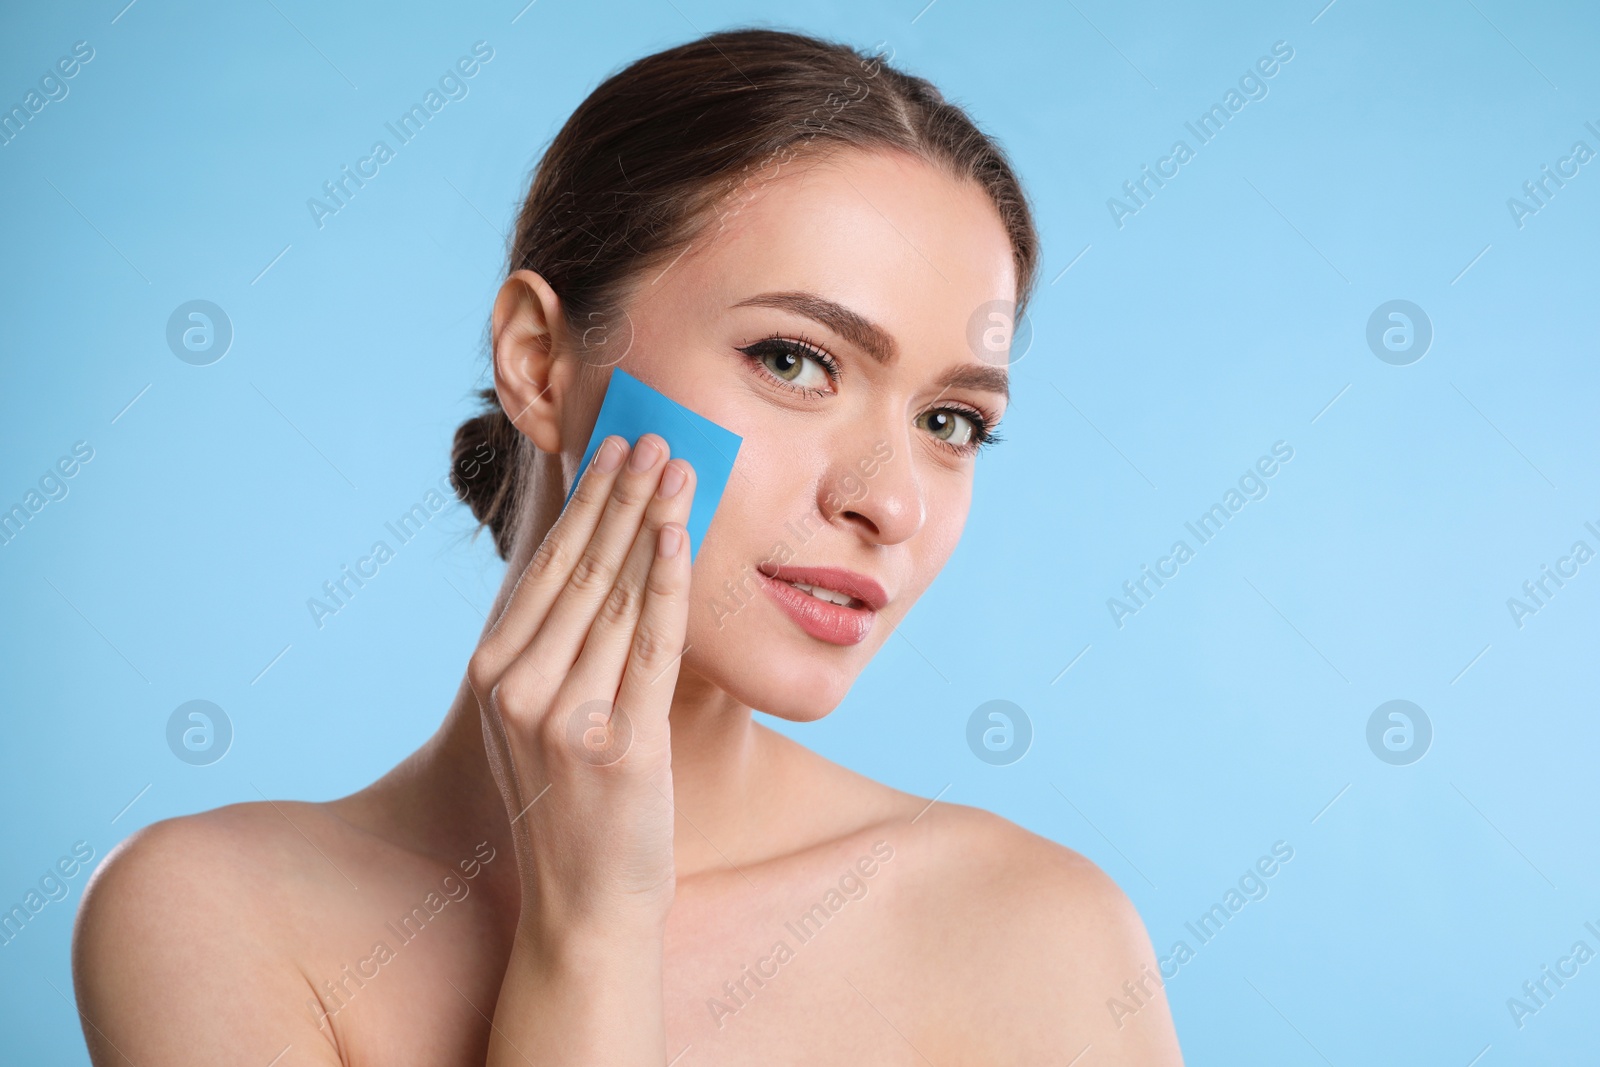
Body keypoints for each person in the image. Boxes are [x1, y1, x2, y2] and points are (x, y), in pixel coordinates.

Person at [72, 27, 1183, 1065]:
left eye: (951, 421)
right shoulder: (216, 914)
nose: (888, 501)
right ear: (539, 362)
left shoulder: (1035, 933)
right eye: (795, 360)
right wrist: (591, 924)